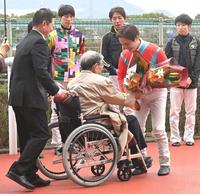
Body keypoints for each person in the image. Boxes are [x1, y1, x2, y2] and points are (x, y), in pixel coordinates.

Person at [6, 8, 68, 190]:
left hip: (19, 97)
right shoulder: (39, 43)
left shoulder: (25, 40)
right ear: (44, 24)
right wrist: (56, 91)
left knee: (28, 137)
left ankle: (30, 174)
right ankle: (19, 170)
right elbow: (41, 71)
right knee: (41, 134)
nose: (53, 27)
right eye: (52, 24)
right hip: (31, 97)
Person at [67, 50, 152, 174]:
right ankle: (137, 158)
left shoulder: (72, 82)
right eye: (101, 65)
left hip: (81, 124)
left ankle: (133, 157)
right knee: (131, 121)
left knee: (124, 120)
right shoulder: (100, 81)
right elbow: (117, 98)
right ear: (95, 66)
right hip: (97, 122)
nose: (102, 68)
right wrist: (134, 96)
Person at [117, 24, 170, 176]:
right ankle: (142, 162)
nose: (125, 47)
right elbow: (121, 76)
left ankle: (165, 162)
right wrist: (129, 91)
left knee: (158, 129)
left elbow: (167, 72)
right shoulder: (125, 55)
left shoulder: (155, 51)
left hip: (157, 94)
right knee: (136, 129)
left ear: (137, 38)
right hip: (138, 97)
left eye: (127, 44)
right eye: (122, 44)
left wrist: (152, 80)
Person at [48, 4, 85, 154]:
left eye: (70, 16)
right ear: (59, 18)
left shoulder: (79, 35)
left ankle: (74, 141)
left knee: (75, 111)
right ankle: (58, 143)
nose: (68, 19)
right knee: (56, 111)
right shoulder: (52, 35)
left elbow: (81, 55)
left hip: (74, 79)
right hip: (56, 78)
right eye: (65, 16)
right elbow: (47, 56)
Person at [165, 14, 200, 146]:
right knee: (174, 111)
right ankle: (175, 137)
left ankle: (189, 137)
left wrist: (192, 77)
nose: (181, 27)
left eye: (183, 25)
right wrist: (175, 77)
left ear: (189, 26)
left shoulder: (196, 41)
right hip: (175, 82)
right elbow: (166, 61)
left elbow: (198, 62)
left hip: (192, 83)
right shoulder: (171, 42)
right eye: (178, 25)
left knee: (191, 111)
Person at [100, 6, 126, 88]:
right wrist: (113, 69)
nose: (117, 21)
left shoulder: (132, 34)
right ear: (111, 20)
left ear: (124, 19)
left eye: (119, 18)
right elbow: (102, 59)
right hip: (114, 75)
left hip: (130, 74)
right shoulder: (107, 37)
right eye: (114, 18)